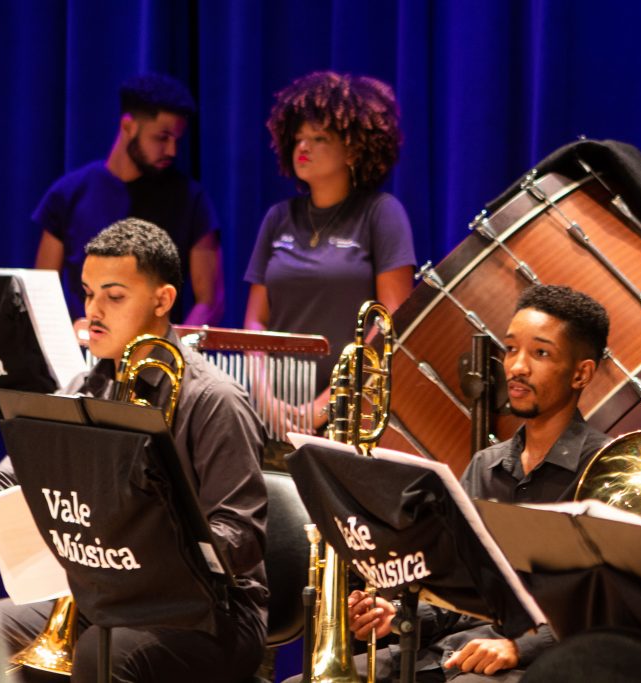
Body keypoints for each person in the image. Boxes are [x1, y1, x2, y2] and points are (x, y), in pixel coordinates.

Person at [0, 219, 267, 682]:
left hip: (207, 614)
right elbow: (12, 480)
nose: (93, 311)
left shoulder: (213, 399)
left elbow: (242, 535)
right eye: (88, 293)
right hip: (105, 598)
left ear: (162, 300)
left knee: (103, 654)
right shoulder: (82, 387)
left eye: (114, 296)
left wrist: (157, 537)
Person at [346, 284, 611, 682]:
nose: (517, 367)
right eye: (510, 349)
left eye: (540, 353)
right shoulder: (486, 465)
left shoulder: (608, 470)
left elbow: (612, 609)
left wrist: (519, 647)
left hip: (539, 666)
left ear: (581, 373)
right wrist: (399, 616)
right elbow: (456, 592)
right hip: (448, 654)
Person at [244, 71, 415, 429]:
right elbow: (256, 321)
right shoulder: (278, 217)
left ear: (352, 148)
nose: (302, 147)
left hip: (350, 407)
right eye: (298, 138)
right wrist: (262, 396)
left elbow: (391, 323)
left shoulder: (381, 213)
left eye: (318, 138)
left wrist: (326, 404)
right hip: (274, 408)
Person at [33, 73, 224, 328]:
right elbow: (42, 292)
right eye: (161, 137)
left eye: (177, 140)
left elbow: (210, 302)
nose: (172, 151)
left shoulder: (191, 199)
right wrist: (70, 336)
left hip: (158, 358)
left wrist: (172, 350)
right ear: (128, 127)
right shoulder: (68, 194)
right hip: (82, 354)